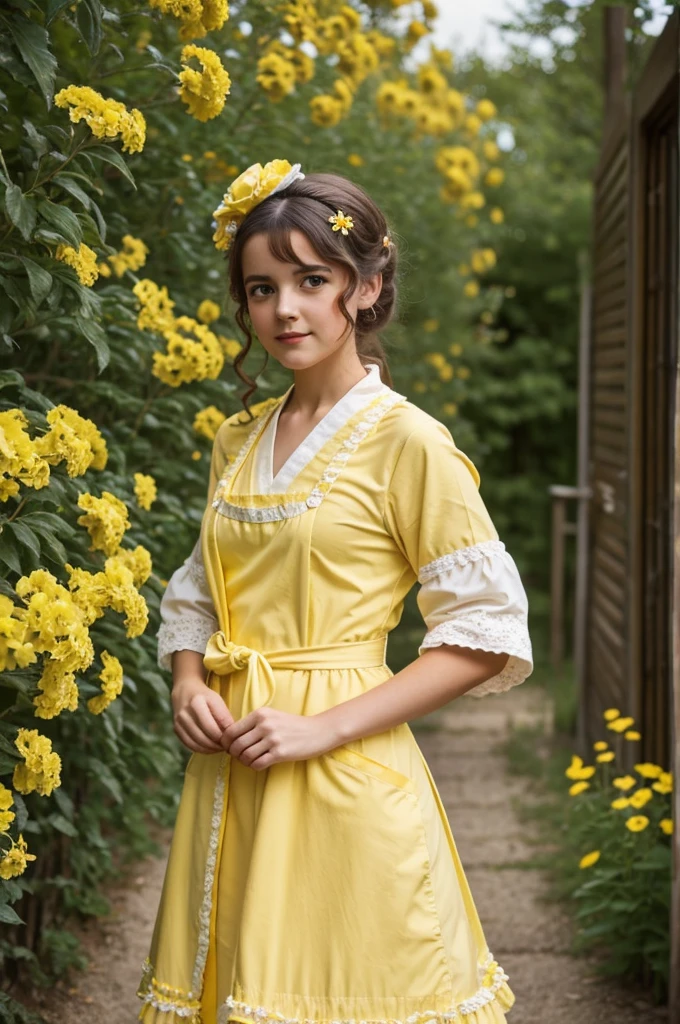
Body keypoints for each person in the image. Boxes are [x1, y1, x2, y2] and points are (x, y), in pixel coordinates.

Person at [136, 159, 533, 1024]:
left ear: (365, 286)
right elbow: (202, 586)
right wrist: (189, 680)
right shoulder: (238, 437)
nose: (284, 309)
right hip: (233, 767)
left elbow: (486, 633)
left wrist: (318, 727)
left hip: (345, 766)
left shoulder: (409, 444)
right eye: (261, 287)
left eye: (312, 280)